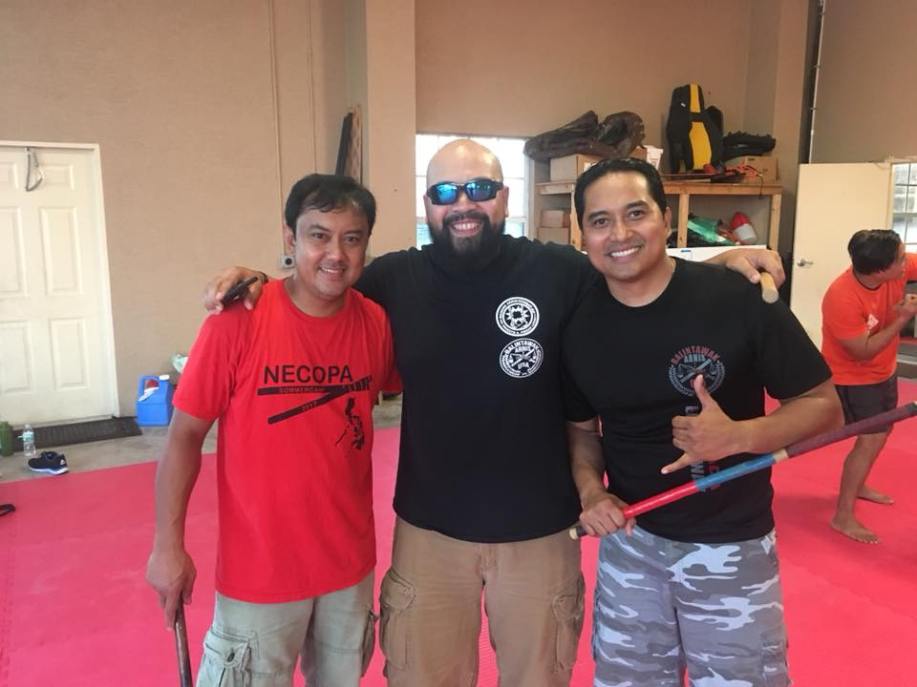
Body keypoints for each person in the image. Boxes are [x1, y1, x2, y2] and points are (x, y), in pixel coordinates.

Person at [203, 140, 786, 687]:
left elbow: (633, 265)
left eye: (480, 189)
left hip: (540, 533)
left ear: (504, 197)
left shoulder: (558, 271)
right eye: (446, 192)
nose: (464, 204)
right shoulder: (393, 280)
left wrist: (718, 262)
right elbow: (321, 280)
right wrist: (260, 281)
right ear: (427, 204)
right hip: (430, 535)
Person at [562, 157, 841, 687]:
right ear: (583, 235)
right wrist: (592, 492)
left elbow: (823, 404)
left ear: (666, 220)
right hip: (632, 544)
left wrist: (741, 436)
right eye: (600, 221)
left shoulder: (738, 298)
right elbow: (581, 431)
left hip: (731, 546)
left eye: (636, 213)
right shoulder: (577, 324)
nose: (619, 234)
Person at [146, 174, 399, 687]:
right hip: (259, 576)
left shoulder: (375, 323)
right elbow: (184, 437)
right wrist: (167, 546)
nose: (335, 254)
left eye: (351, 238)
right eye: (318, 235)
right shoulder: (238, 319)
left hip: (348, 570)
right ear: (290, 237)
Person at [821, 229, 917, 543]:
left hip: (885, 371)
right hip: (854, 377)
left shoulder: (894, 268)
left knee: (881, 434)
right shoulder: (842, 297)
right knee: (870, 440)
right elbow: (862, 351)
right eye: (900, 260)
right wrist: (902, 319)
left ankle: (858, 485)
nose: (906, 263)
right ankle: (842, 516)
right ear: (879, 270)